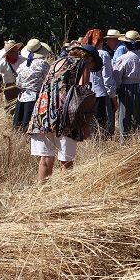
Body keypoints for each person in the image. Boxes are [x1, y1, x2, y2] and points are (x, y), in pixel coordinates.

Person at [27, 44, 102, 183]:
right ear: (89, 58)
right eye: (93, 65)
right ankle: (66, 196)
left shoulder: (57, 62)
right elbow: (82, 94)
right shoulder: (83, 63)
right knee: (66, 161)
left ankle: (40, 196)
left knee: (45, 159)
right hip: (65, 115)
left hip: (42, 112)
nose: (91, 68)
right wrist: (85, 125)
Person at [113, 34, 140, 136]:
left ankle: (127, 139)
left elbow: (117, 78)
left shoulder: (123, 58)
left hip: (127, 89)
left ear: (126, 44)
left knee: (127, 115)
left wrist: (118, 87)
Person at [83, 29, 117, 137]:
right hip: (100, 94)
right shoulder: (103, 54)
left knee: (89, 125)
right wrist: (113, 98)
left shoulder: (82, 53)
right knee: (102, 128)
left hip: (86, 94)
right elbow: (107, 78)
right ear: (100, 40)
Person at [13, 39, 51, 131]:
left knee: (19, 125)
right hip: (36, 97)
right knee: (32, 125)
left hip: (22, 97)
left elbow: (18, 83)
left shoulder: (22, 65)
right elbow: (48, 80)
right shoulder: (43, 64)